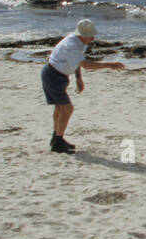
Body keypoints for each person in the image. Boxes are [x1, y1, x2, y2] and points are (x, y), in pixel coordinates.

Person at [41, 18, 124, 153]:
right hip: (53, 76)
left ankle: (57, 138)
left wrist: (78, 78)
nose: (92, 39)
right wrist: (110, 65)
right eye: (90, 36)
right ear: (81, 35)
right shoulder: (72, 45)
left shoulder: (79, 42)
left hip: (60, 75)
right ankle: (58, 142)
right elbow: (86, 64)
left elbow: (77, 62)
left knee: (60, 108)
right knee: (67, 109)